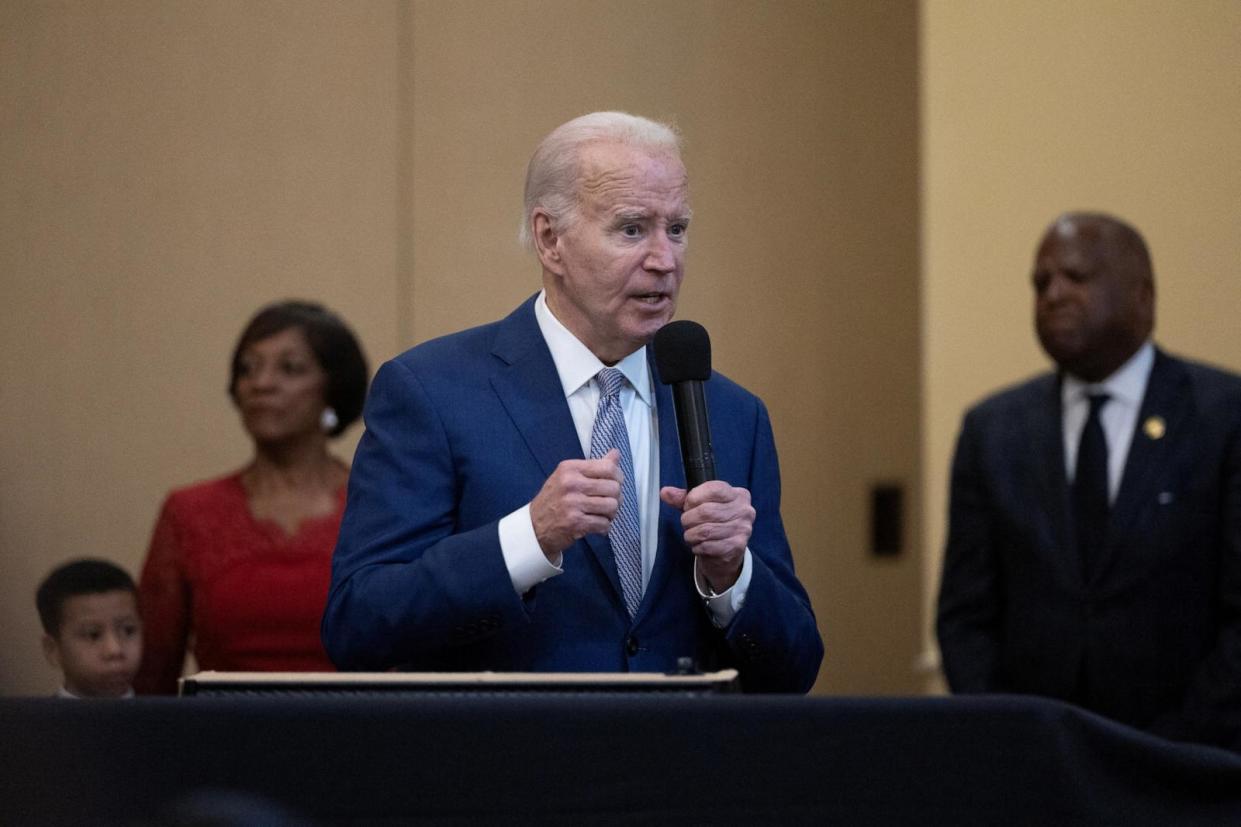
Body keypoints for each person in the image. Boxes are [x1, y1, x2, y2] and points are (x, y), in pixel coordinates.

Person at [322, 112, 823, 692]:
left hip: (684, 769)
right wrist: (529, 538)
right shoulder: (432, 392)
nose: (665, 259)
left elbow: (796, 668)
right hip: (513, 766)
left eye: (677, 229)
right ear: (549, 239)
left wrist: (732, 577)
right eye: (632, 229)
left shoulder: (735, 414)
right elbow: (358, 625)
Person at [936, 212, 1241, 748]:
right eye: (1041, 283)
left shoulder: (1223, 416)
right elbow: (965, 617)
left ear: (1142, 295)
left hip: (1193, 766)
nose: (1053, 294)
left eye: (1076, 277)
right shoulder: (993, 430)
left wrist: (1171, 750)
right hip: (1035, 768)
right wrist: (1012, 735)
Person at [134, 300, 369, 694]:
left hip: (360, 736)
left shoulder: (374, 507)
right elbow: (151, 672)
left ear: (333, 388)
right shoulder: (189, 512)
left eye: (289, 368)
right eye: (248, 368)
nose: (261, 384)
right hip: (218, 741)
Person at [36, 558, 142, 699]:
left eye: (128, 631)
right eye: (93, 635)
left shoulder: (167, 719)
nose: (115, 650)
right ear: (53, 649)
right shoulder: (31, 721)